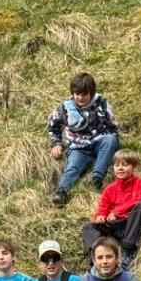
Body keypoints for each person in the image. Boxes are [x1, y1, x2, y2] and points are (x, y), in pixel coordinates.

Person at [47, 71, 119, 206]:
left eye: (84, 94)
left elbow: (113, 124)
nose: (80, 98)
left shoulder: (101, 102)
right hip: (78, 146)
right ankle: (61, 192)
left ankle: (96, 179)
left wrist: (114, 139)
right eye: (77, 94)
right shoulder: (64, 108)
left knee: (110, 139)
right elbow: (53, 126)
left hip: (100, 141)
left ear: (91, 93)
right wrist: (56, 144)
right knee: (73, 167)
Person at [82, 150, 141, 269]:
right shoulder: (110, 189)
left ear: (134, 167)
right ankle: (96, 256)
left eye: (125, 165)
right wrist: (101, 216)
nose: (120, 168)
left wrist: (117, 212)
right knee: (88, 226)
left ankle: (128, 250)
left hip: (133, 223)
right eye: (117, 165)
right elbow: (103, 206)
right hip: (115, 225)